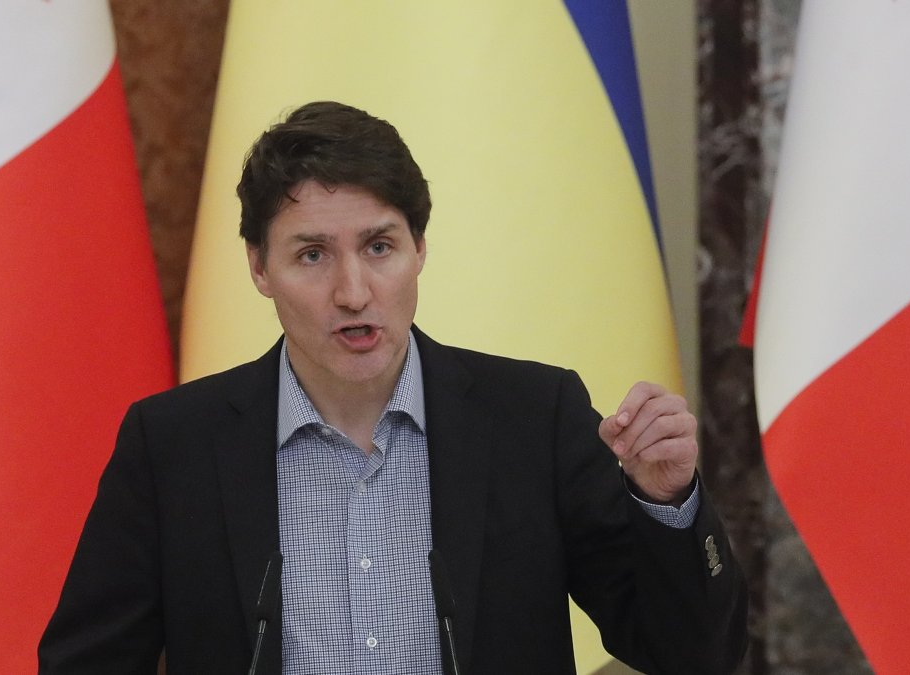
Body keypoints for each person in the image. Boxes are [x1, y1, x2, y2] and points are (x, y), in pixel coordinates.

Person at [38, 101, 748, 674]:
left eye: (379, 247)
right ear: (259, 267)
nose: (353, 292)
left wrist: (666, 505)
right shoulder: (172, 445)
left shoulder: (534, 418)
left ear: (419, 250)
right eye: (312, 254)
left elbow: (691, 655)